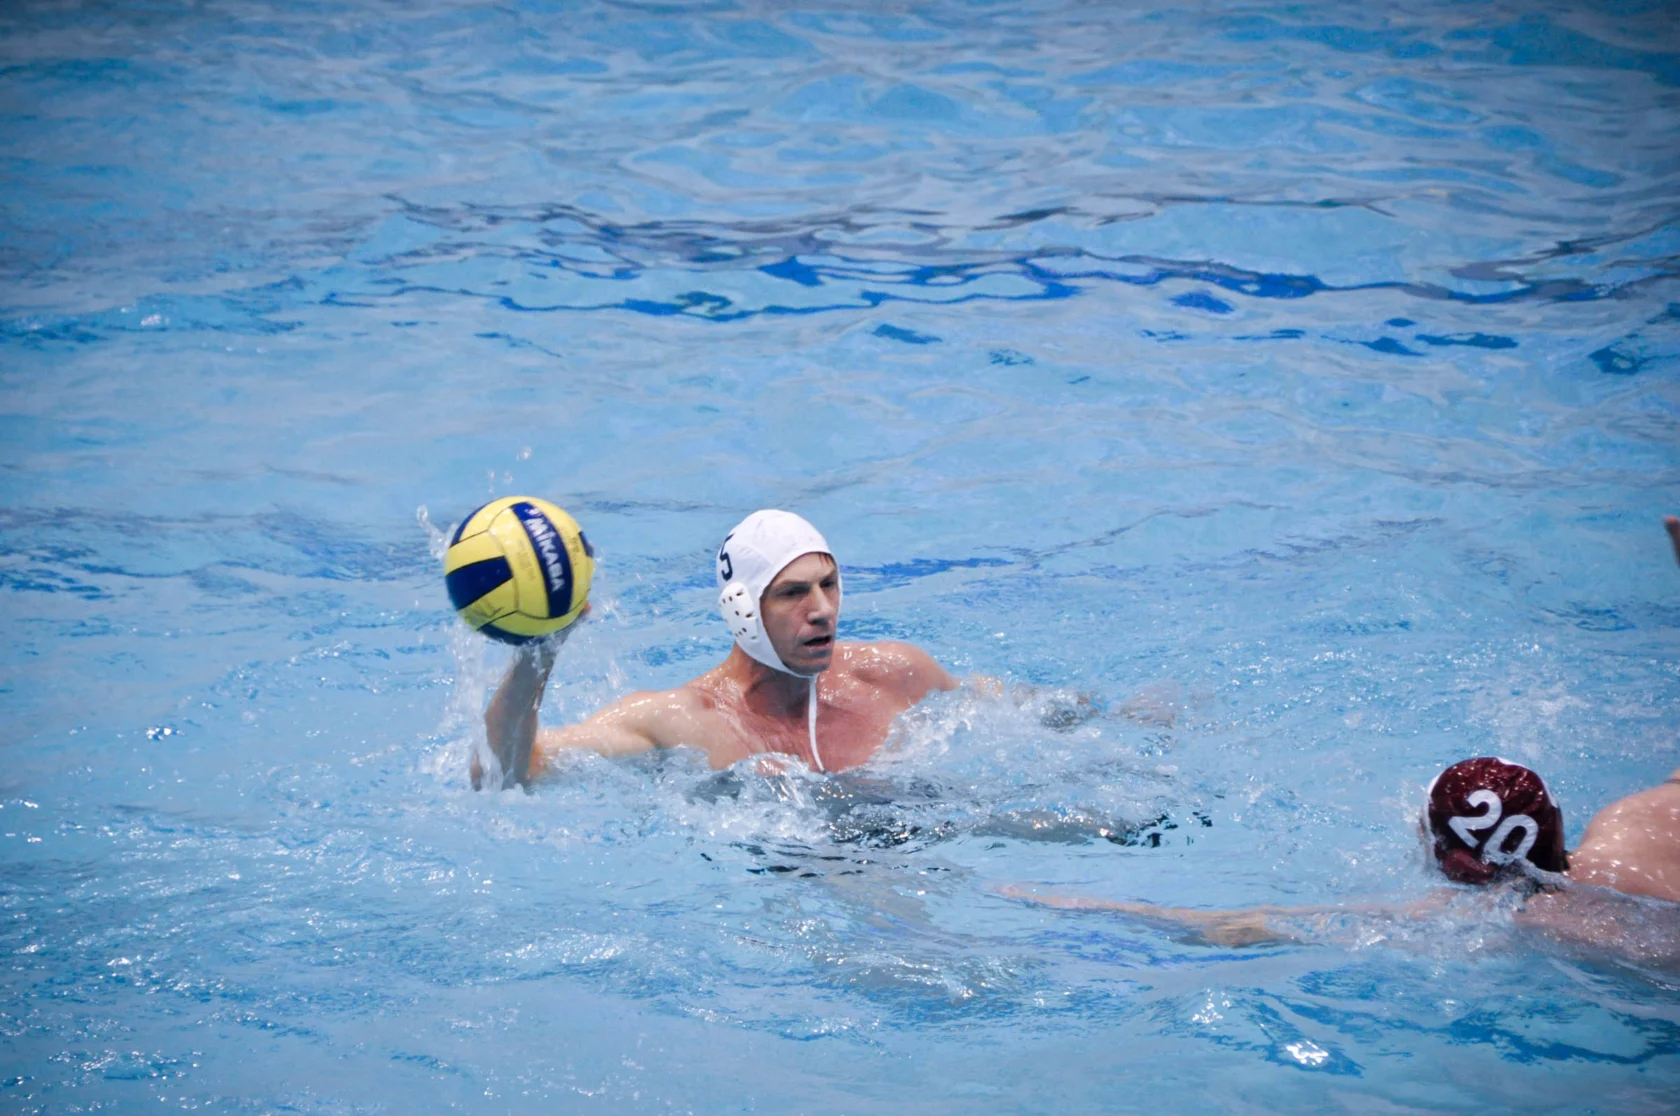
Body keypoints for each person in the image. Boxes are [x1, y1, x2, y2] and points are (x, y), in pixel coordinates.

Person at [1005, 757, 1680, 962]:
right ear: (1555, 820)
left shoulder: (1486, 920)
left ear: (1442, 857)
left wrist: (1066, 903)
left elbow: (1243, 925)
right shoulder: (1643, 822)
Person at [473, 509, 959, 789]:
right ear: (742, 607)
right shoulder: (683, 721)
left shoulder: (893, 675)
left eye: (828, 584)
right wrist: (539, 653)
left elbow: (1021, 707)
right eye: (792, 592)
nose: (822, 609)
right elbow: (502, 773)